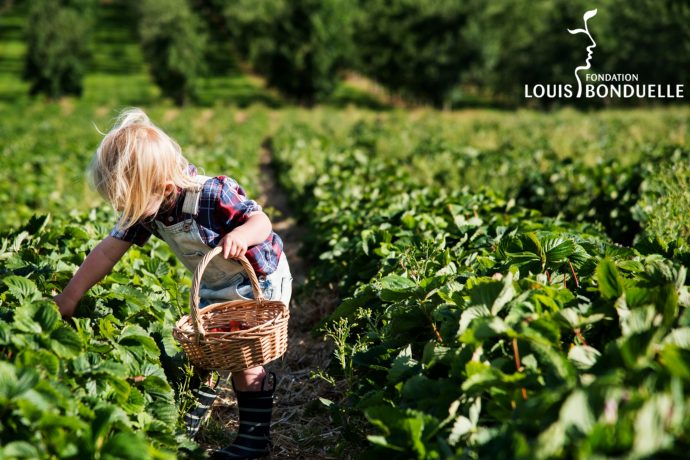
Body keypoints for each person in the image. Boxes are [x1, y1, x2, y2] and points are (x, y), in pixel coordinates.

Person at [53, 108, 292, 460]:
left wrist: (242, 234)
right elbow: (107, 252)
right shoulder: (148, 206)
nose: (129, 213)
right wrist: (70, 296)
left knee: (243, 359)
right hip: (213, 286)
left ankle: (254, 440)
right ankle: (189, 423)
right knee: (204, 349)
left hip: (255, 282)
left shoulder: (212, 194)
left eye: (131, 205)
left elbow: (262, 220)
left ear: (164, 188)